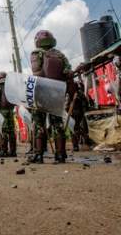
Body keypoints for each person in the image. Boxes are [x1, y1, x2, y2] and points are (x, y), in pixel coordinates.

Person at [29, 30, 72, 164]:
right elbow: (68, 72)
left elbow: (36, 72)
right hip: (56, 93)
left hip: (41, 92)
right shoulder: (60, 55)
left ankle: (38, 155)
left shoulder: (36, 53)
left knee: (39, 124)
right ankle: (60, 155)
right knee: (57, 124)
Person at [0, 71, 16, 157]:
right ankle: (13, 151)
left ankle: (4, 151)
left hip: (2, 111)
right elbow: (15, 100)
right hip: (10, 111)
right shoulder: (11, 88)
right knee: (12, 132)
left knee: (3, 131)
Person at [68, 78, 91, 151]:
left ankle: (77, 145)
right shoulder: (76, 93)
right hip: (75, 113)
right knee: (76, 129)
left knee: (75, 129)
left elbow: (85, 104)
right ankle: (78, 144)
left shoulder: (77, 94)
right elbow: (85, 104)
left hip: (76, 113)